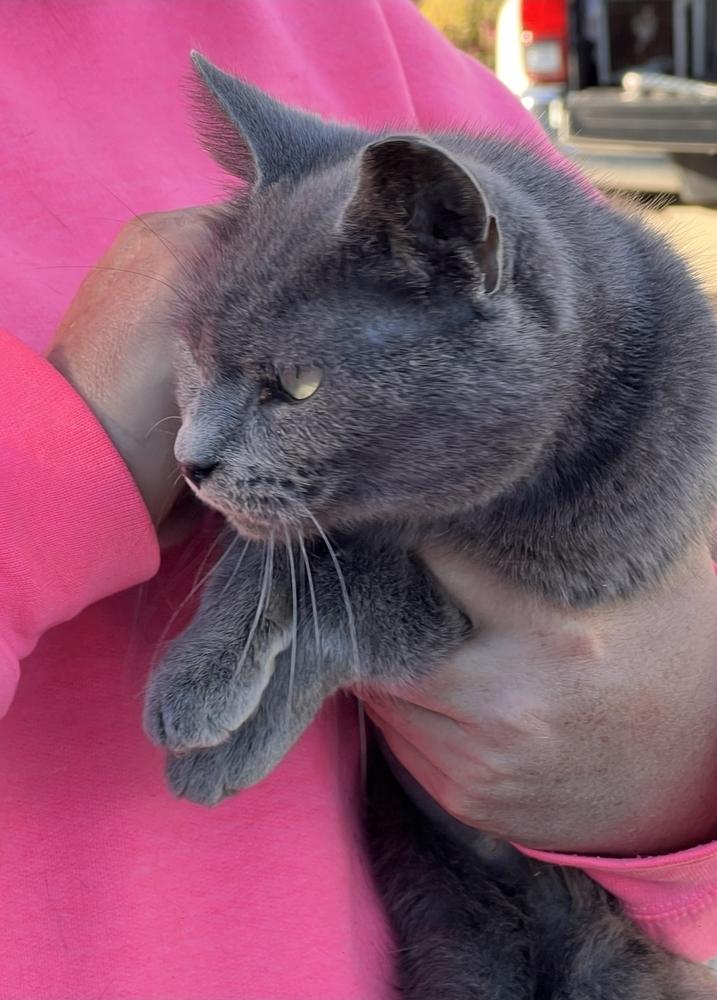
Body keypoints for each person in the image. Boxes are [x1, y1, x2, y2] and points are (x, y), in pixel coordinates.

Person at [1, 2, 716, 997]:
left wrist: (681, 751)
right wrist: (59, 452)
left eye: (280, 390)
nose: (189, 449)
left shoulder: (356, 35)